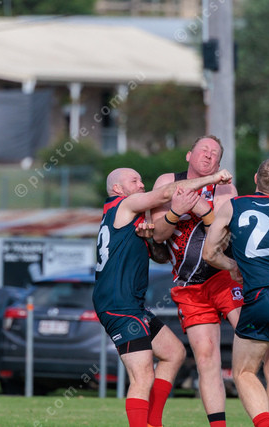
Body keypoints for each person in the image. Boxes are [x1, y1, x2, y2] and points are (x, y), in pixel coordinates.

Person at [151, 137, 269, 426]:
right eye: (204, 150)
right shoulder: (167, 181)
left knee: (260, 344)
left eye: (215, 153)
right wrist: (177, 211)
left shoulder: (227, 189)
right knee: (207, 360)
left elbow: (224, 237)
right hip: (189, 284)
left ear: (220, 164)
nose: (209, 155)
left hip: (225, 277)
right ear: (189, 155)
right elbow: (158, 235)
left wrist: (203, 210)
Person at [93, 166, 232, 427]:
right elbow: (167, 193)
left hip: (132, 305)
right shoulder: (124, 204)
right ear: (117, 189)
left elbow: (159, 256)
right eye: (134, 180)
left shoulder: (130, 215)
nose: (141, 184)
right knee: (142, 375)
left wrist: (149, 239)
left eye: (141, 179)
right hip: (118, 304)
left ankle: (153, 421)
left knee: (174, 353)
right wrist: (213, 179)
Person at [202, 157, 269, 427]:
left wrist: (232, 266)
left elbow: (209, 253)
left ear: (255, 178)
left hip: (264, 295)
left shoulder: (234, 205)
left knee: (243, 372)